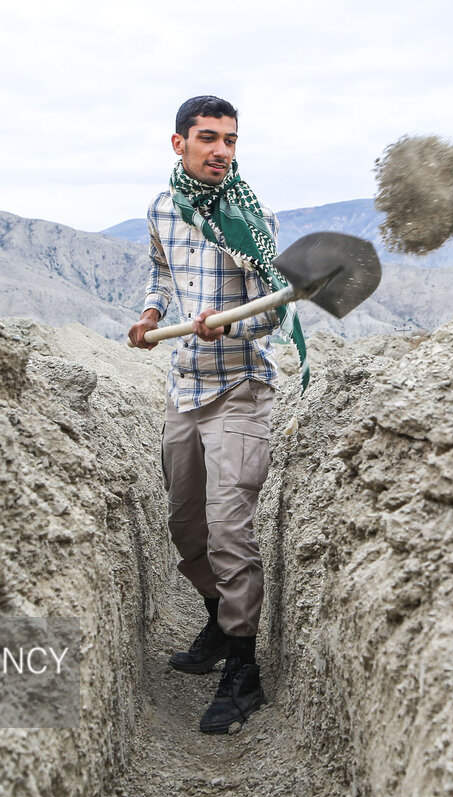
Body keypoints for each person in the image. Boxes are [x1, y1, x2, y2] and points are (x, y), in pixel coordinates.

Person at [127, 95, 285, 735]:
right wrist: (152, 315)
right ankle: (219, 622)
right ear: (179, 145)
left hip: (240, 387)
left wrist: (230, 328)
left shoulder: (253, 218)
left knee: (229, 528)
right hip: (184, 388)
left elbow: (274, 309)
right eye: (209, 138)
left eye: (230, 140)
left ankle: (244, 668)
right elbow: (160, 277)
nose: (222, 150)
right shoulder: (162, 211)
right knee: (187, 528)